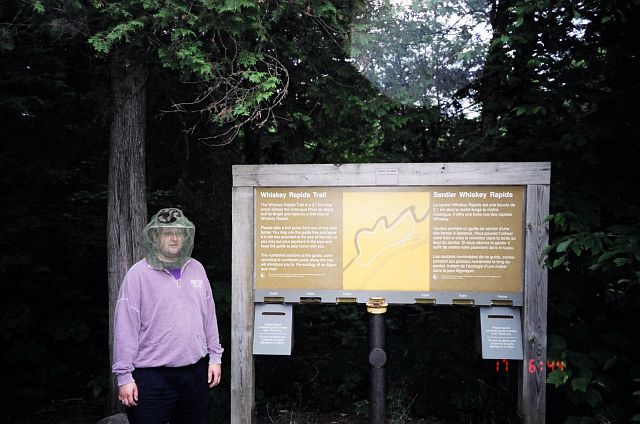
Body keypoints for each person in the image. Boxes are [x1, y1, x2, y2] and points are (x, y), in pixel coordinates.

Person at [112, 208, 224, 424]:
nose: (174, 238)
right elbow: (125, 328)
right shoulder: (138, 274)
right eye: (167, 232)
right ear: (155, 236)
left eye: (179, 232)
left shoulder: (197, 269)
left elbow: (209, 317)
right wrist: (124, 376)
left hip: (195, 373)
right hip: (151, 377)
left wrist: (215, 358)